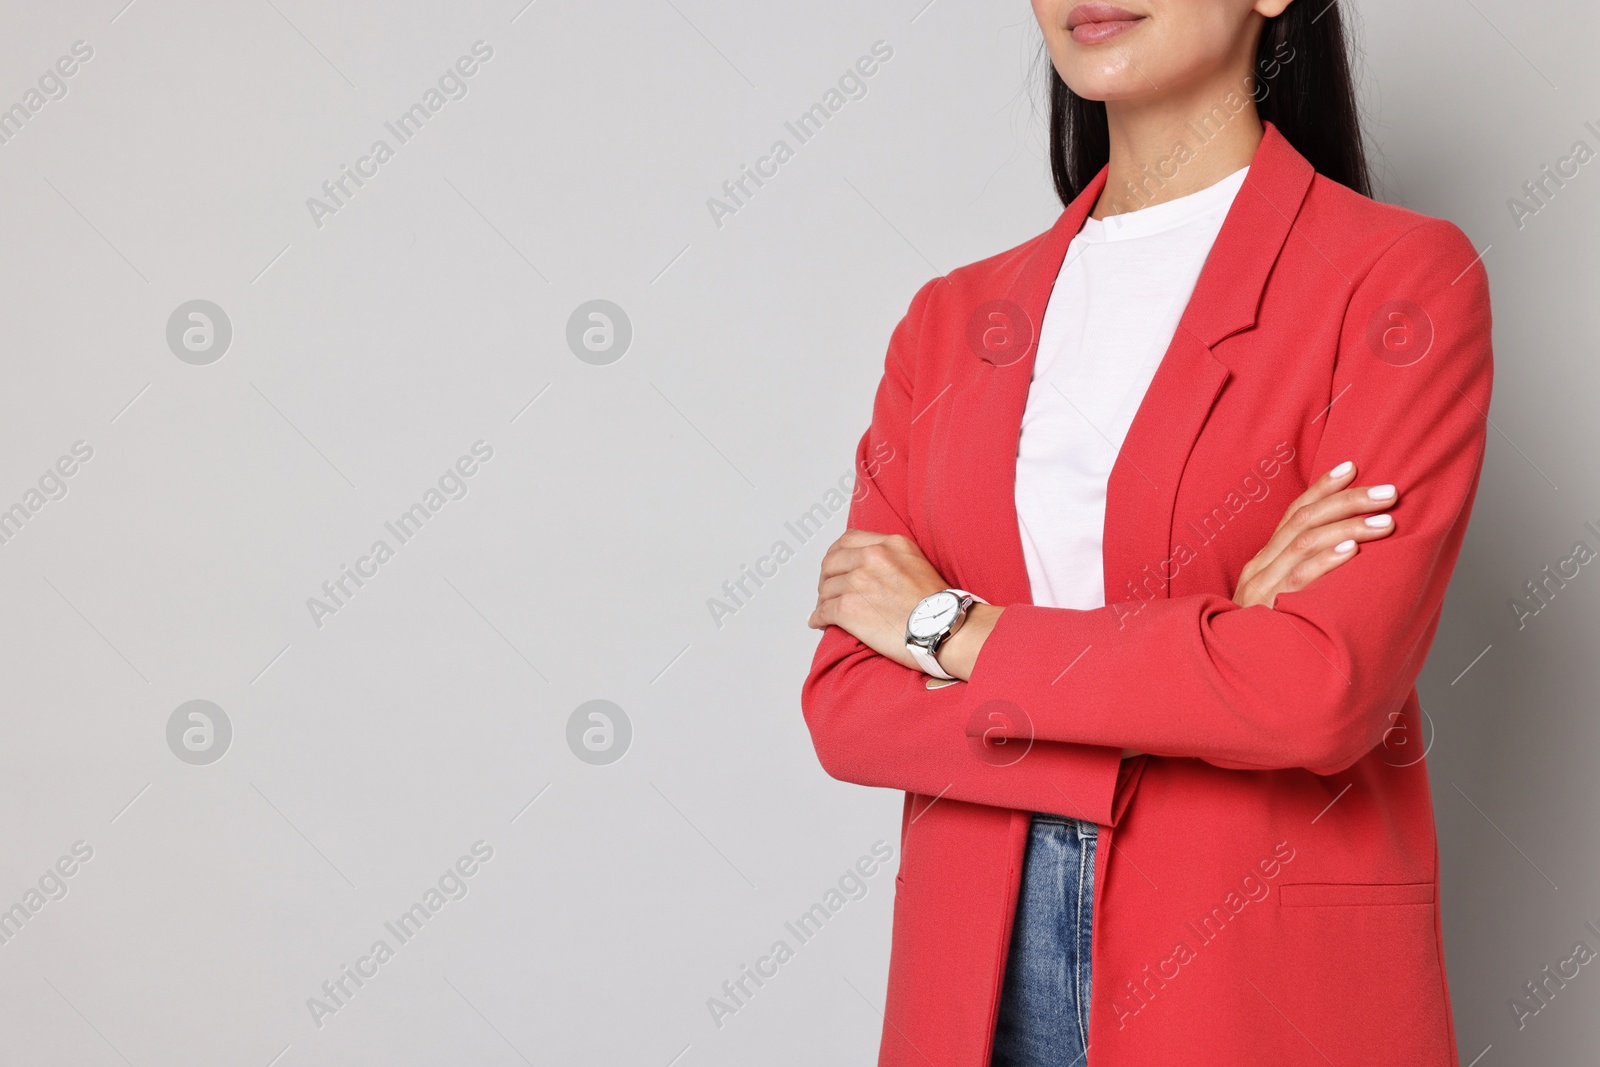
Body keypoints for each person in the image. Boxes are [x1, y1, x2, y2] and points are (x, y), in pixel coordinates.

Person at [801, 1, 1493, 1064]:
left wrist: (952, 630)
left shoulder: (1394, 283)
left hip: (1249, 971)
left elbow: (1318, 693)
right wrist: (1218, 641)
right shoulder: (949, 322)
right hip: (976, 967)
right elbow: (850, 706)